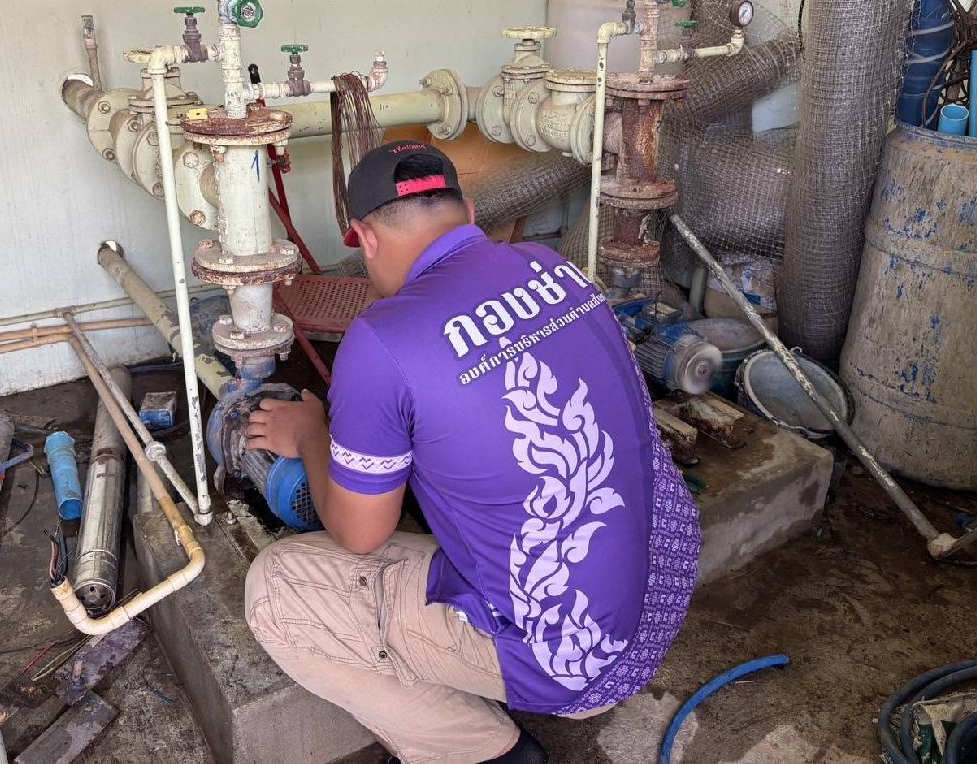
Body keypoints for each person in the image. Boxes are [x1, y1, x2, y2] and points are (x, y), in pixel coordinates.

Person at [244, 140, 701, 764]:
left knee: (276, 589)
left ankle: (484, 751)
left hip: (575, 659)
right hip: (660, 598)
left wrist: (308, 434)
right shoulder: (552, 266)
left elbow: (360, 533)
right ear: (470, 212)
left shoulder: (381, 340)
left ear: (365, 239)